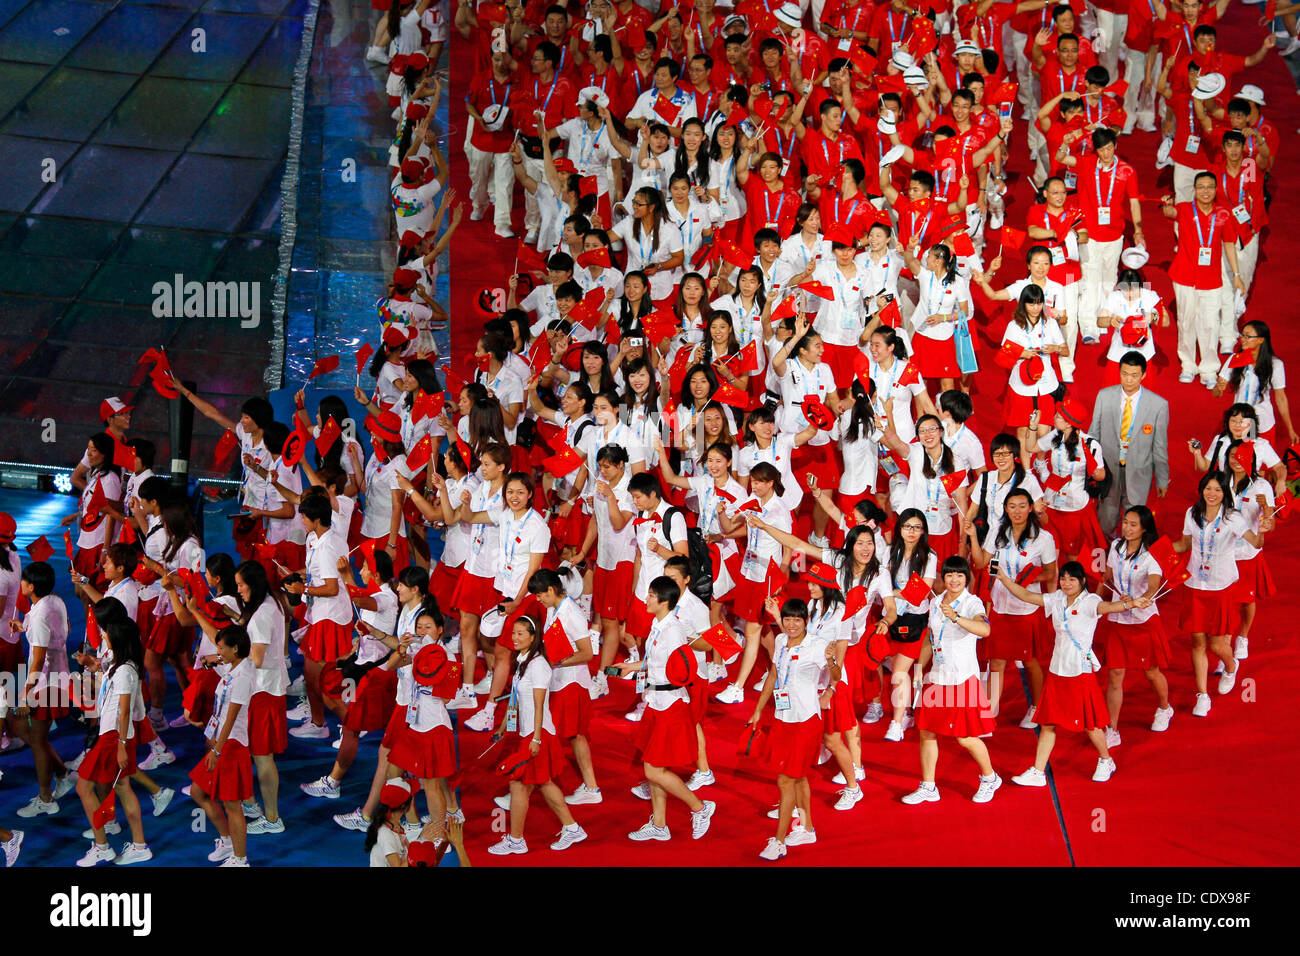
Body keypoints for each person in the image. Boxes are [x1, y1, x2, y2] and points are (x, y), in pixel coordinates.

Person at [1000, 561, 1147, 785]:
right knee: (1048, 722)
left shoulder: (1090, 601)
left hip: (1079, 670)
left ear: (1083, 581)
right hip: (1057, 670)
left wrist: (1133, 603)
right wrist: (1003, 578)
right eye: (1063, 578)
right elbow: (1028, 597)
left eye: (1072, 579)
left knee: (1091, 724)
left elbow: (1109, 608)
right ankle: (1038, 772)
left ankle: (1106, 759)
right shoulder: (1057, 598)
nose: (1066, 583)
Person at [612, 576, 716, 842]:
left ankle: (700, 808)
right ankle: (659, 825)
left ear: (664, 601)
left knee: (653, 770)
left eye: (650, 595)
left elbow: (682, 667)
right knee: (653, 765)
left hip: (670, 705)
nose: (646, 599)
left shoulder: (673, 631)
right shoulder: (658, 624)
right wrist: (632, 667)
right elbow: (657, 663)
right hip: (655, 703)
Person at [1175, 471, 1274, 718]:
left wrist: (1262, 528)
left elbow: (1256, 543)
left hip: (1221, 587)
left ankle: (1231, 666)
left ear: (1224, 493)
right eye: (1208, 489)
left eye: (1217, 490)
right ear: (1201, 490)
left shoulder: (1233, 518)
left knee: (1217, 644)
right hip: (1195, 585)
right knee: (1197, 641)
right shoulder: (1192, 514)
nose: (1212, 494)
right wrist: (1152, 547)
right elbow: (1184, 545)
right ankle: (1202, 695)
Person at [487, 615, 588, 854]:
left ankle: (516, 840)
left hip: (538, 733)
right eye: (514, 633)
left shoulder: (538, 665)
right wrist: (502, 729)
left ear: (533, 637)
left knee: (518, 784)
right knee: (543, 783)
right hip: (531, 732)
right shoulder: (523, 660)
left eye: (521, 633)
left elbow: (539, 703)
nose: (515, 637)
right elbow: (515, 701)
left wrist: (535, 739)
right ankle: (572, 828)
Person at [903, 556, 1000, 805]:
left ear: (966, 578)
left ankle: (990, 778)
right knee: (927, 732)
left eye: (959, 575)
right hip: (937, 675)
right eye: (949, 575)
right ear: (943, 578)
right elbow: (930, 638)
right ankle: (928, 786)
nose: (954, 580)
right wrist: (918, 668)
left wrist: (956, 617)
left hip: (962, 677)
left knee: (965, 737)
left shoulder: (972, 602)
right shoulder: (936, 602)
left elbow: (985, 629)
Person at [748, 596, 837, 860]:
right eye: (787, 619)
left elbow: (837, 675)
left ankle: (778, 841)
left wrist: (831, 661)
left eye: (797, 619)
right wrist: (757, 710)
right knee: (797, 777)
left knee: (785, 779)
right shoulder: (779, 641)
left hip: (806, 721)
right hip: (783, 718)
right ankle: (807, 828)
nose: (791, 624)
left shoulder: (817, 646)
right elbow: (774, 676)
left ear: (806, 622)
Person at [72, 607, 151, 866]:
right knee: (123, 788)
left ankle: (102, 846)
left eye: (107, 633)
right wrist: (93, 666)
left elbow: (125, 708)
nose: (104, 635)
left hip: (113, 738)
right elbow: (108, 685)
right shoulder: (119, 665)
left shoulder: (126, 670)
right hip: (112, 735)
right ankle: (138, 845)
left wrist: (120, 745)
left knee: (84, 787)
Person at [1099, 506, 1173, 742]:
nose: (1127, 528)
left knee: (1151, 672)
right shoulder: (1115, 547)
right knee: (1115, 674)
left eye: (1133, 525)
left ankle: (1164, 708)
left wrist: (1145, 598)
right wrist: (1095, 599)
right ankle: (1112, 729)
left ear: (1144, 528)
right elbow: (1107, 577)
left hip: (1143, 621)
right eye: (1125, 523)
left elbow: (1154, 583)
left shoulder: (1151, 555)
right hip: (1119, 618)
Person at [9, 561, 75, 818]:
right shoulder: (54, 601)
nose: (21, 584)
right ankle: (61, 774)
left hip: (45, 685)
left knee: (35, 739)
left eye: (24, 581)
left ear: (31, 586)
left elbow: (37, 660)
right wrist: (24, 627)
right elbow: (54, 630)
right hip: (57, 679)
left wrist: (25, 693)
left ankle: (46, 798)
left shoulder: (37, 617)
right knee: (25, 729)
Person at [189, 625, 256, 867]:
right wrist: (215, 659)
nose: (218, 651)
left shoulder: (243, 677)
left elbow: (230, 718)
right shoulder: (236, 666)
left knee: (233, 805)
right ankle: (227, 841)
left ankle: (240, 860)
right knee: (199, 791)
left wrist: (216, 750)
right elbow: (225, 661)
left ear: (235, 648)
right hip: (222, 742)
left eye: (221, 647)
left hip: (231, 746)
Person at [1088, 352, 1171, 535]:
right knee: (1106, 519)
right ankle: (1107, 554)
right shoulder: (1104, 396)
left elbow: (1159, 446)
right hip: (1108, 468)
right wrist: (1092, 467)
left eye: (1134, 375)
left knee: (1134, 521)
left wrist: (1162, 478)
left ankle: (1129, 556)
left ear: (1144, 375)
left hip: (1139, 470)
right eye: (1124, 374)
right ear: (1119, 372)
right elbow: (1093, 435)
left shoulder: (1158, 405)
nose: (1129, 380)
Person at [1213, 321, 1297, 449]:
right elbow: (1216, 394)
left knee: (1261, 466)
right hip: (1238, 423)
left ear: (1260, 340)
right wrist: (1218, 388)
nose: (1243, 340)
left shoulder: (1275, 364)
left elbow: (1280, 398)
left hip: (1262, 422)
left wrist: (1290, 429)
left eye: (1248, 336)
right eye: (1242, 335)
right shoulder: (1235, 359)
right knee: (1238, 465)